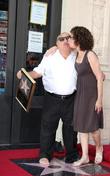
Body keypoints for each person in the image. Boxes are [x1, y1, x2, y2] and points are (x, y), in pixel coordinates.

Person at [17, 32, 79, 166]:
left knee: (71, 128)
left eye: (68, 38)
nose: (65, 40)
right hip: (52, 98)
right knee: (48, 127)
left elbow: (86, 54)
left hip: (71, 99)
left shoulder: (76, 56)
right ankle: (45, 154)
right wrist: (25, 74)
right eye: (61, 39)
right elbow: (38, 72)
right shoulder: (49, 56)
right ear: (56, 43)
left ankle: (71, 155)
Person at [67, 26, 104, 166]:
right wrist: (51, 49)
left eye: (71, 37)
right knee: (82, 126)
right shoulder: (76, 54)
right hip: (80, 93)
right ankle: (85, 157)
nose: (69, 40)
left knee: (93, 127)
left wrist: (99, 100)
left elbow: (99, 77)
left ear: (79, 39)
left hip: (91, 95)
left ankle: (99, 147)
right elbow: (60, 44)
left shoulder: (90, 54)